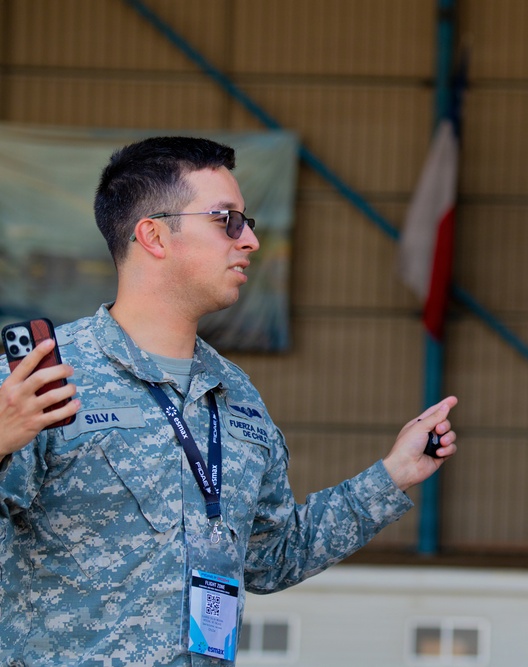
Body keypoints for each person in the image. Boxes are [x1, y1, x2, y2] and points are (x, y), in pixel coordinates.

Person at [0, 136, 457, 665]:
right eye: (227, 221)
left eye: (248, 223)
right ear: (153, 235)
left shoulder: (235, 395)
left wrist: (392, 475)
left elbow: (271, 556)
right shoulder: (40, 379)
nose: (249, 242)